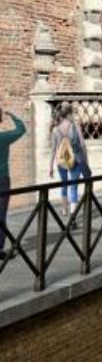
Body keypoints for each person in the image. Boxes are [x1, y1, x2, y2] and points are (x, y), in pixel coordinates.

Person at [51, 103, 90, 229]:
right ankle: (72, 217)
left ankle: (64, 210)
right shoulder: (75, 126)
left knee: (64, 184)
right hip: (76, 159)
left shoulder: (55, 130)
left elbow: (53, 149)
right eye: (72, 113)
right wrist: (86, 161)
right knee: (74, 187)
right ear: (68, 114)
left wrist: (50, 166)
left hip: (61, 161)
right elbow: (83, 145)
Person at [0, 106, 27, 260]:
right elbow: (21, 129)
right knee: (1, 213)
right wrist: (12, 115)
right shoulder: (4, 137)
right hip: (2, 178)